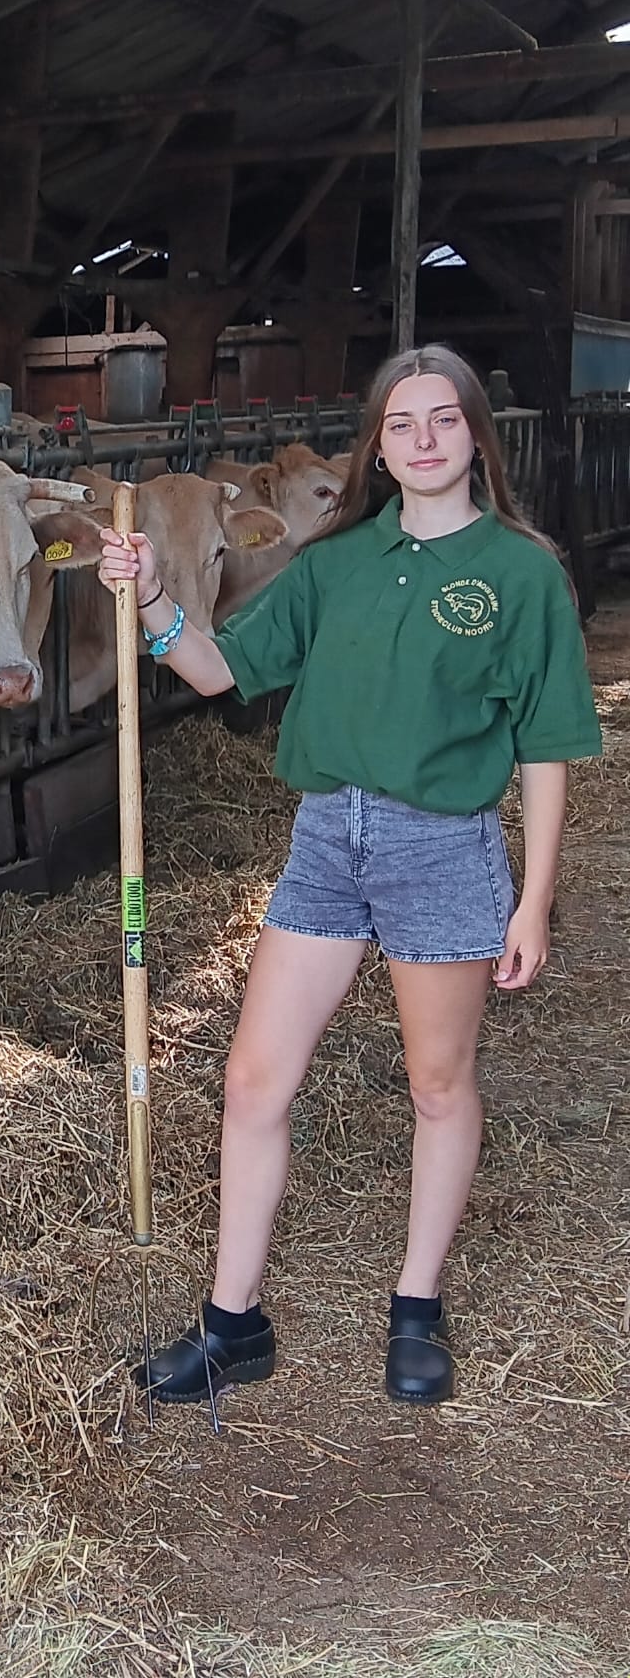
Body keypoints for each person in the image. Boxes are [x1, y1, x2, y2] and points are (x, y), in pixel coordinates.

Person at [99, 345, 600, 1407]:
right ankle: (233, 1322)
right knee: (251, 1079)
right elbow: (221, 668)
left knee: (435, 1082)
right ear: (375, 442)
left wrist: (532, 895)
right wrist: (149, 598)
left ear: (473, 435)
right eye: (398, 423)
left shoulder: (519, 570)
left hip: (440, 844)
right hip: (327, 837)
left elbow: (546, 742)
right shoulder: (332, 561)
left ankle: (415, 1305)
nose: (420, 440)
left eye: (441, 420)